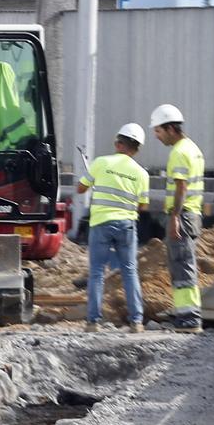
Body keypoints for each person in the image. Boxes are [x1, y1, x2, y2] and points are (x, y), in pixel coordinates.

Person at [75, 123, 149, 332]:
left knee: (97, 272)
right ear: (137, 148)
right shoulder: (142, 174)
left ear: (118, 143)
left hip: (101, 224)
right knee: (130, 271)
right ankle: (136, 321)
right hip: (126, 226)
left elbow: (80, 189)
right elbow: (143, 205)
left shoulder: (101, 163)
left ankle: (93, 322)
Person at [150, 102, 205, 332]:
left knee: (182, 266)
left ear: (171, 128)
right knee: (183, 264)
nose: (157, 136)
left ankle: (189, 318)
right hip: (191, 215)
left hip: (182, 216)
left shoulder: (180, 152)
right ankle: (186, 314)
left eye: (159, 131)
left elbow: (181, 187)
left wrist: (174, 217)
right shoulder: (193, 148)